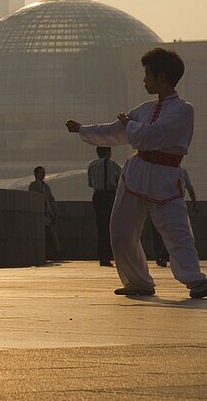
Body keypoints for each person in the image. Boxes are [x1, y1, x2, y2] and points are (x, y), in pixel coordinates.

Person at [67, 47, 207, 299]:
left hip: (165, 176)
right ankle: (138, 281)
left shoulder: (183, 110)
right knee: (121, 233)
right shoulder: (144, 109)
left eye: (147, 74)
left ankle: (195, 280)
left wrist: (129, 125)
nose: (144, 79)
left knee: (176, 232)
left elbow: (155, 135)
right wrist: (82, 129)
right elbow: (114, 131)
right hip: (136, 174)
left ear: (161, 77)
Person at [147, 166, 197, 268]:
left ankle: (162, 255)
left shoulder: (156, 170)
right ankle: (163, 255)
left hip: (160, 204)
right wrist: (194, 203)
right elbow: (190, 188)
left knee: (160, 233)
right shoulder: (180, 171)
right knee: (169, 232)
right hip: (168, 205)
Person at [87, 146, 121, 267]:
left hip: (97, 195)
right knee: (111, 226)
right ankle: (110, 255)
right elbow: (120, 180)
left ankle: (102, 257)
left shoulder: (92, 165)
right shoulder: (113, 165)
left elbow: (90, 183)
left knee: (101, 227)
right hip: (109, 196)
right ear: (108, 152)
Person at [28, 166, 60, 261]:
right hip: (42, 214)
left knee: (48, 236)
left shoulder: (46, 186)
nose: (43, 174)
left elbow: (51, 198)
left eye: (44, 172)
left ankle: (49, 254)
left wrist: (55, 209)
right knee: (51, 235)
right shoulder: (33, 185)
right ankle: (54, 253)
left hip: (48, 214)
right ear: (36, 174)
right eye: (41, 172)